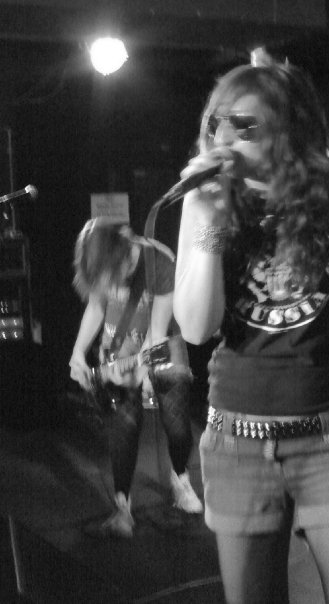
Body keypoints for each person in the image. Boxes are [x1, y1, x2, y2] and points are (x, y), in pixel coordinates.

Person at [173, 48, 329, 604]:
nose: (223, 137)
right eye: (216, 123)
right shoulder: (203, 204)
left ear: (284, 131)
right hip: (237, 442)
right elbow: (198, 328)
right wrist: (206, 221)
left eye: (244, 126)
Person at [69, 218, 202, 539]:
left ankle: (180, 477)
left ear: (126, 256)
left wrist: (139, 374)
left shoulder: (159, 262)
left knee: (177, 425)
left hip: (164, 342)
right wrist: (78, 352)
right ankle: (123, 507)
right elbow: (96, 307)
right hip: (120, 343)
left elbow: (156, 335)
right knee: (124, 429)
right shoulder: (102, 260)